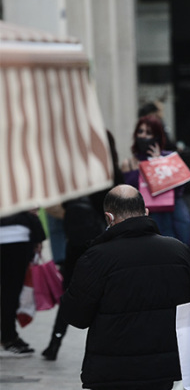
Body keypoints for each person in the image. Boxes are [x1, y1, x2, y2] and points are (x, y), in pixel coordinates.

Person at [61, 185, 190, 389]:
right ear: (146, 212)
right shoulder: (178, 251)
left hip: (112, 370)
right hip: (162, 368)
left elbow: (76, 316)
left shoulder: (96, 258)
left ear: (109, 217)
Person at [43, 130, 125, 362]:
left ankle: (54, 342)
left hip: (77, 242)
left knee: (71, 292)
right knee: (108, 293)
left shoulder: (77, 172)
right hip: (104, 241)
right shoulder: (110, 172)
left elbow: (65, 204)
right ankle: (110, 343)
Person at [121, 115, 190, 263]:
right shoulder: (130, 163)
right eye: (140, 131)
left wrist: (159, 164)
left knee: (186, 249)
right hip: (149, 216)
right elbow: (132, 194)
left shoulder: (169, 157)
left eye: (148, 132)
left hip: (175, 213)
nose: (143, 136)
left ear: (157, 136)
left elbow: (180, 189)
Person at [0, 210, 45, 356]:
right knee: (10, 291)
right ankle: (8, 337)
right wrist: (38, 237)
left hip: (16, 235)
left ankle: (9, 335)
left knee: (9, 291)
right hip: (17, 236)